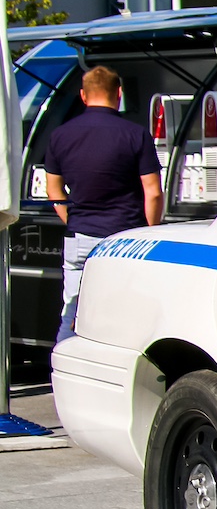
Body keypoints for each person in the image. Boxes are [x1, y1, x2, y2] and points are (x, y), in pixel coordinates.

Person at [44, 66, 163, 341]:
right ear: (119, 94)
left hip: (80, 236)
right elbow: (153, 192)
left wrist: (73, 219)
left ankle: (64, 363)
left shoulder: (60, 135)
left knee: (73, 315)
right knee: (126, 316)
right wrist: (149, 231)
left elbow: (54, 190)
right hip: (127, 239)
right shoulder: (136, 134)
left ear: (83, 95)